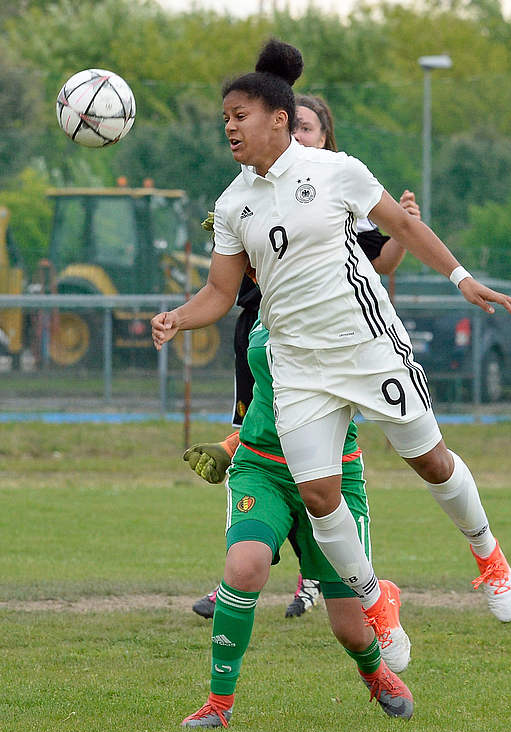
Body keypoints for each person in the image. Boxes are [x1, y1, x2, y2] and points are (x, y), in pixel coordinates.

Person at [153, 39, 511, 631]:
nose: (229, 128)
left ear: (278, 120)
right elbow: (220, 294)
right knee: (321, 494)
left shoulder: (335, 172)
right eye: (224, 118)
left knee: (430, 462)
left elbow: (400, 226)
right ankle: (375, 601)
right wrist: (178, 315)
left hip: (366, 346)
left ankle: (489, 556)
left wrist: (462, 278)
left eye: (239, 116)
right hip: (297, 364)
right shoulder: (232, 205)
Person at [189, 92, 418, 621]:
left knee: (315, 462)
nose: (301, 136)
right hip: (259, 335)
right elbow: (224, 278)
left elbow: (381, 257)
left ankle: (321, 579)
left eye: (309, 129)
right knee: (264, 444)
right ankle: (248, 571)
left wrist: (404, 226)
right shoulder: (244, 197)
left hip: (319, 345)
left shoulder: (332, 193)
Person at [180, 320, 413, 727]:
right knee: (244, 566)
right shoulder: (262, 308)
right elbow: (266, 397)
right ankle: (219, 704)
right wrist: (228, 445)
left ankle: (374, 669)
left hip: (330, 473)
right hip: (263, 468)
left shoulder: (342, 308)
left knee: (352, 631)